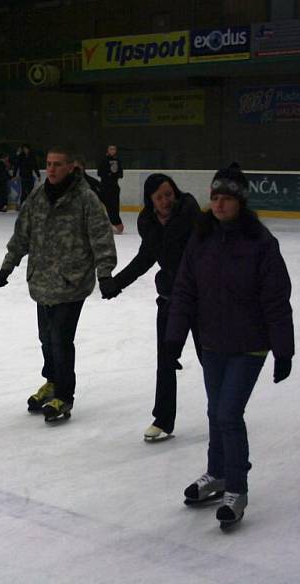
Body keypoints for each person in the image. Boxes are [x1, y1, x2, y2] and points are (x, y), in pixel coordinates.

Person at [165, 163, 294, 529]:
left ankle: (236, 488)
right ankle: (217, 474)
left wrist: (283, 349)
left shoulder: (261, 244)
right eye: (214, 197)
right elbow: (186, 290)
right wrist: (174, 338)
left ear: (241, 202)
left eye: (227, 198)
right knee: (214, 411)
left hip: (249, 346)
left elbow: (276, 299)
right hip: (212, 343)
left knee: (228, 415)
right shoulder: (201, 238)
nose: (219, 205)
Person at [0, 147, 117, 423]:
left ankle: (64, 394)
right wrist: (7, 266)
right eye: (48, 164)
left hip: (71, 282)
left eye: (58, 164)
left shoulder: (86, 199)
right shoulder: (37, 197)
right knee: (46, 338)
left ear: (71, 167)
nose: (51, 169)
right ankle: (51, 381)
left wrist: (105, 274)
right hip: (42, 282)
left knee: (61, 339)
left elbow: (101, 237)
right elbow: (21, 235)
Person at [100, 173, 201, 442]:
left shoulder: (190, 215)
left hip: (201, 300)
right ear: (151, 200)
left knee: (211, 360)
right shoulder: (149, 223)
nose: (166, 200)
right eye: (159, 197)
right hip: (169, 299)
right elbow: (146, 258)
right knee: (165, 361)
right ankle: (163, 420)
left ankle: (225, 414)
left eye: (169, 194)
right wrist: (117, 283)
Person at [96, 144, 124, 234]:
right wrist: (108, 174)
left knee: (115, 207)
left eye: (114, 149)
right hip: (105, 187)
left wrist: (114, 175)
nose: (112, 151)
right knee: (106, 206)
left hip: (114, 188)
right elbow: (99, 173)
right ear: (107, 150)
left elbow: (121, 174)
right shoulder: (104, 160)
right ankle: (105, 224)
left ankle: (116, 223)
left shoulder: (118, 160)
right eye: (110, 149)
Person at [13, 144, 41, 209]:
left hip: (30, 176)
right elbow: (16, 166)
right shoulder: (20, 157)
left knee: (31, 191)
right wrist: (14, 175)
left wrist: (38, 175)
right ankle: (21, 204)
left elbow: (35, 166)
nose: (25, 150)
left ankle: (31, 205)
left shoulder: (32, 156)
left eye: (26, 149)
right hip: (23, 176)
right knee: (23, 191)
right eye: (24, 149)